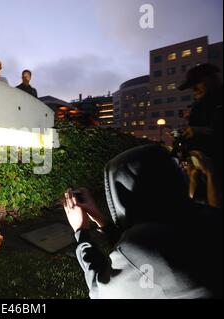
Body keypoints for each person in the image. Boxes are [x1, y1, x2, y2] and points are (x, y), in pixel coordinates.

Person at [64, 144, 223, 299]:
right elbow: (140, 250)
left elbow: (100, 290)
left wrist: (81, 232)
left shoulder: (141, 247)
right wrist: (102, 221)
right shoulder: (208, 218)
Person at [178, 63, 223, 208]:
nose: (194, 89)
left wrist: (202, 131)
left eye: (197, 83)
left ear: (212, 79)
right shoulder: (201, 105)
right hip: (200, 165)